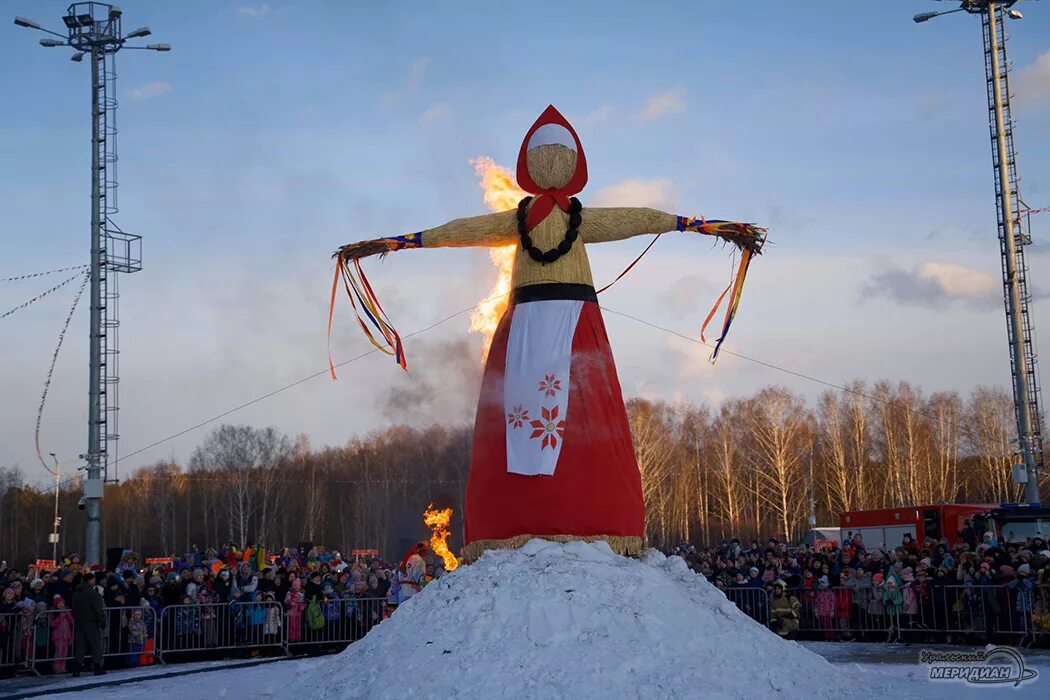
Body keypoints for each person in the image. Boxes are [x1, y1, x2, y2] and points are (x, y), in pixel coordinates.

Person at [71, 572, 106, 676]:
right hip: (91, 622)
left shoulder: (76, 593)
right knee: (95, 645)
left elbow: (73, 608)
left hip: (79, 622)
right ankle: (97, 666)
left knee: (80, 646)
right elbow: (98, 609)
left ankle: (76, 668)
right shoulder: (93, 594)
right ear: (90, 580)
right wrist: (102, 621)